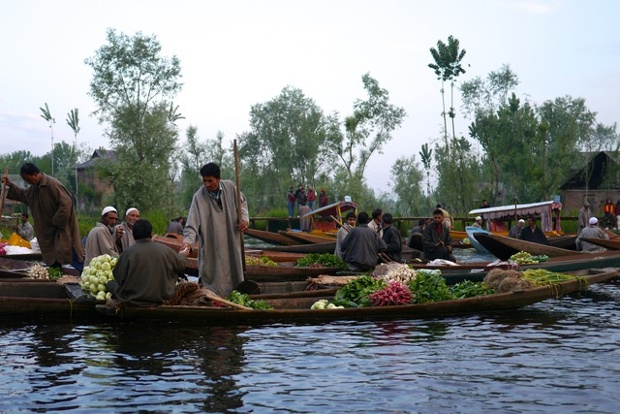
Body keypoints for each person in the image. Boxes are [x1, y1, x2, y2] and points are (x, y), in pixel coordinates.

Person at [181, 162, 249, 298]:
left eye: (210, 181)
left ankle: (235, 299)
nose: (207, 184)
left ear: (218, 179)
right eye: (204, 181)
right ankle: (214, 300)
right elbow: (191, 224)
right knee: (212, 278)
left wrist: (244, 219)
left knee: (235, 273)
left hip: (231, 241)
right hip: (212, 246)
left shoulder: (230, 187)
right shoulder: (198, 197)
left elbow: (242, 204)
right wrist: (187, 243)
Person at [1, 163, 84, 271]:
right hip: (48, 234)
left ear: (35, 174)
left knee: (69, 255)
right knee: (54, 260)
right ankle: (58, 281)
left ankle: (80, 278)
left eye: (29, 180)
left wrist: (56, 222)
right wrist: (10, 185)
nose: (28, 183)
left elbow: (66, 204)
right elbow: (24, 195)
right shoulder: (34, 189)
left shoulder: (52, 185)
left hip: (61, 231)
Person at [107, 219, 186, 306]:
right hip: (162, 297)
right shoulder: (166, 250)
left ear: (134, 235)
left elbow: (118, 277)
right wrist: (182, 255)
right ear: (150, 234)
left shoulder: (127, 253)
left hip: (133, 299)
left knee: (110, 284)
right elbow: (181, 266)